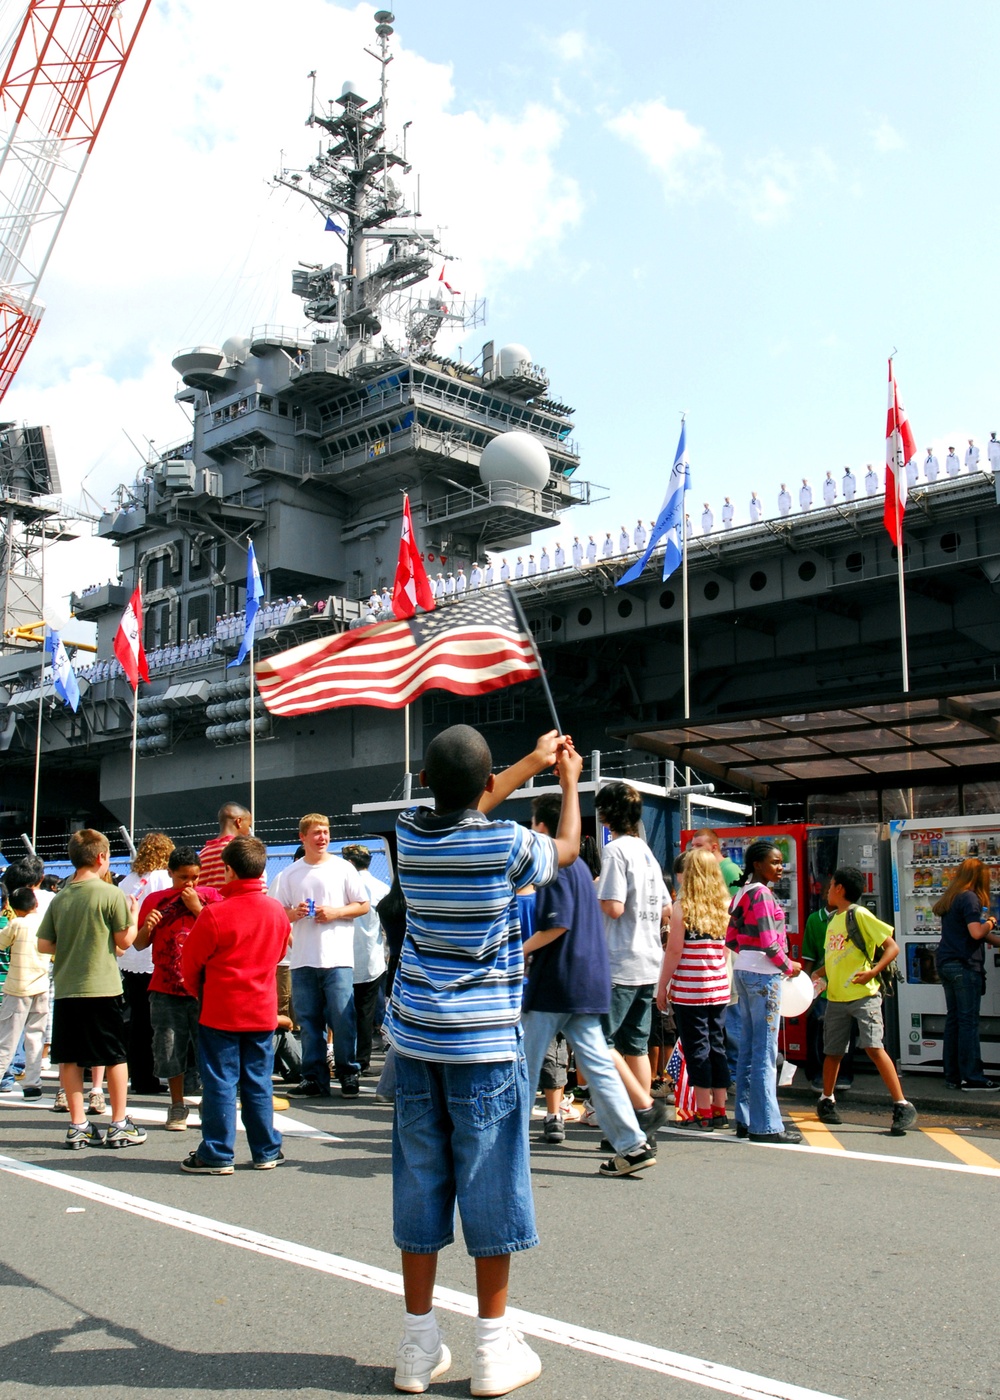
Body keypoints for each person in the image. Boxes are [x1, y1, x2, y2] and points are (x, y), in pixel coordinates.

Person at [385, 726, 581, 1397]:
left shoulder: (407, 835)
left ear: (424, 779)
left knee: (420, 1184)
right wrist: (567, 780)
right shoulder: (505, 845)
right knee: (490, 1186)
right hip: (486, 1041)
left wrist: (527, 760)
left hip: (416, 1040)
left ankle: (417, 1348)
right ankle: (493, 1349)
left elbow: (472, 795)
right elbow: (569, 849)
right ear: (486, 782)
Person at [522, 792, 659, 1175]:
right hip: (589, 979)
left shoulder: (553, 865)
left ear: (544, 827)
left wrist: (520, 950)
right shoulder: (582, 866)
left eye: (533, 824)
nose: (532, 831)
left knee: (524, 1064)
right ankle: (632, 1145)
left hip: (556, 982)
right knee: (599, 1064)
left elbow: (557, 924)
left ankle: (504, 1144)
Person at [180, 835, 290, 1173]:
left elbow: (190, 964)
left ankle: (216, 1152)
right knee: (258, 1081)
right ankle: (266, 1150)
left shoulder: (214, 914)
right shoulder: (275, 911)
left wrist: (199, 991)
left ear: (227, 870)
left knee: (219, 1081)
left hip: (221, 1008)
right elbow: (282, 951)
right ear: (262, 869)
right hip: (261, 1008)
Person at [36, 830, 147, 1150]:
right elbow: (125, 941)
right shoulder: (110, 894)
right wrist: (135, 914)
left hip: (68, 988)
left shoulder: (62, 897)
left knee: (69, 1059)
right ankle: (119, 1123)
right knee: (114, 1056)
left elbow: (44, 944)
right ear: (101, 858)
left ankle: (78, 1125)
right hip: (103, 986)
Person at [270, 814, 369, 1098]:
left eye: (325, 832)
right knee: (309, 1023)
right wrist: (294, 914)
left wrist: (336, 912)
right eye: (316, 833)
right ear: (303, 837)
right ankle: (313, 1078)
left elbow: (362, 905)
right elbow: (277, 914)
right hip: (303, 960)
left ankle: (349, 1074)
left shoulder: (343, 869)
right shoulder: (289, 874)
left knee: (343, 1018)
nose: (322, 837)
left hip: (337, 958)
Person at [813, 866, 917, 1135]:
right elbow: (836, 957)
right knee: (833, 1051)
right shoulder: (834, 919)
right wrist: (817, 976)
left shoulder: (859, 914)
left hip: (864, 996)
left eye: (831, 883)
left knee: (873, 1047)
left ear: (840, 889)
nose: (827, 888)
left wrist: (872, 971)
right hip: (835, 997)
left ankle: (902, 1104)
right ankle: (827, 1100)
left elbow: (891, 947)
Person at [135, 846, 223, 1130]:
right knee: (169, 1047)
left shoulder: (210, 898)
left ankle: (211, 1100)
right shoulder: (155, 900)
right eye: (183, 877)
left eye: (195, 877)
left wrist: (198, 908)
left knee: (208, 1047)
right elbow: (138, 943)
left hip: (203, 987)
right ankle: (177, 1104)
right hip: (165, 986)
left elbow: (221, 934)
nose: (190, 884)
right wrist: (147, 927)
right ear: (170, 873)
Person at [595, 782, 671, 1101]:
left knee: (599, 1043)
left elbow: (614, 907)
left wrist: (593, 889)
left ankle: (612, 1112)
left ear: (607, 813)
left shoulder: (615, 850)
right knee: (636, 1046)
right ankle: (643, 1113)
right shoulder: (646, 851)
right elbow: (667, 909)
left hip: (620, 962)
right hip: (649, 963)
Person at [725, 839, 802, 1144]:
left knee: (748, 1047)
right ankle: (767, 1125)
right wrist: (789, 966)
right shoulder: (763, 895)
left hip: (744, 971)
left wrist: (750, 954)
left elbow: (731, 938)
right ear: (758, 864)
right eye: (774, 862)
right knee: (765, 1051)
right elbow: (771, 943)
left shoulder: (743, 892)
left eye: (781, 862)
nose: (780, 867)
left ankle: (745, 1119)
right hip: (764, 975)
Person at [656, 849, 732, 1132]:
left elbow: (674, 950)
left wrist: (663, 985)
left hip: (691, 988)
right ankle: (720, 1109)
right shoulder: (723, 904)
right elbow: (725, 950)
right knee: (717, 1045)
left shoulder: (684, 907)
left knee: (696, 1047)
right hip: (718, 987)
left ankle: (702, 1112)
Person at [932, 858, 1000, 1090]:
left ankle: (953, 1076)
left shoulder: (952, 897)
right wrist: (991, 921)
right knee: (968, 1022)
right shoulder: (971, 897)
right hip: (964, 966)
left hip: (947, 964)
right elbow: (975, 932)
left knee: (954, 1021)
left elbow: (973, 933)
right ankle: (973, 1077)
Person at [118, 832, 174, 1094]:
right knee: (161, 1021)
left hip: (130, 956)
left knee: (137, 1018)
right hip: (156, 958)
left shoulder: (126, 882)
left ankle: (139, 1076)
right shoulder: (165, 879)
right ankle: (159, 1072)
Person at [341, 844, 390, 1076]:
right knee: (365, 1012)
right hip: (372, 958)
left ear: (349, 862)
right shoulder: (382, 888)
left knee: (341, 1012)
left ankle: (343, 1058)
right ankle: (363, 1060)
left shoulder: (340, 886)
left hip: (342, 958)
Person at [800, 882, 854, 1092]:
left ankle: (844, 1074)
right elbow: (809, 956)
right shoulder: (815, 920)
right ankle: (817, 1074)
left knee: (845, 1031)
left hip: (846, 982)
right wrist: (806, 987)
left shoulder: (854, 917)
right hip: (822, 984)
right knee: (819, 1028)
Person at [0, 887, 49, 1099]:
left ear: (13, 907)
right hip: (42, 986)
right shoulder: (45, 924)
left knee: (7, 1038)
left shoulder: (16, 924)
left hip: (17, 988)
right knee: (35, 1037)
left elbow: (1, 943)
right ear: (36, 904)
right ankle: (32, 1085)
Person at [199, 802, 253, 889]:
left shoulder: (203, 853)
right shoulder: (241, 851)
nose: (249, 831)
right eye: (249, 825)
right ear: (239, 822)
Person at [686, 828, 741, 897]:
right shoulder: (701, 869)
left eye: (699, 845)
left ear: (714, 847)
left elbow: (742, 901)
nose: (693, 849)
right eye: (692, 845)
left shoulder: (730, 869)